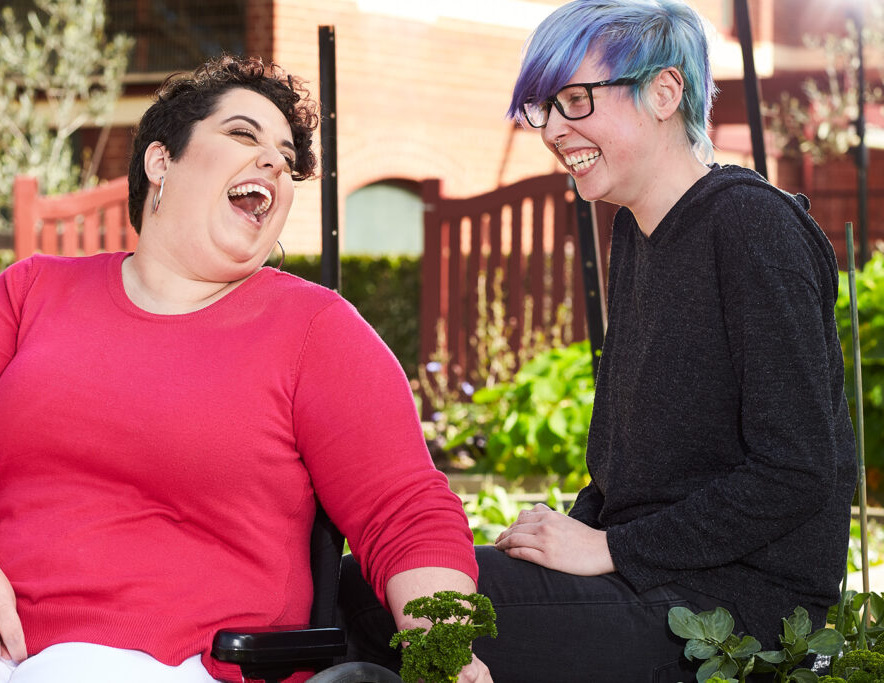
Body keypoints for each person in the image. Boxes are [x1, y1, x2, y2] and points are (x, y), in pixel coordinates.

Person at [0, 56, 490, 683]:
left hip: (176, 656)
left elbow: (403, 508)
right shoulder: (30, 292)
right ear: (161, 161)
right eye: (244, 135)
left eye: (287, 156)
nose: (274, 161)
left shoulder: (315, 329)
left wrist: (444, 647)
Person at [339, 1, 857, 680]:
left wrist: (610, 547)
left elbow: (796, 471)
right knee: (379, 581)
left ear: (666, 92)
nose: (553, 129)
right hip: (647, 578)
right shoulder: (636, 235)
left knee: (401, 600)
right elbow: (635, 466)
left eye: (575, 100)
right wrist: (567, 533)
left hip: (731, 609)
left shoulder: (752, 227)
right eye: (543, 108)